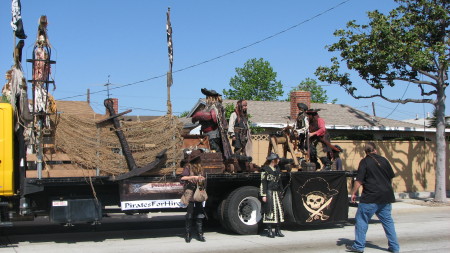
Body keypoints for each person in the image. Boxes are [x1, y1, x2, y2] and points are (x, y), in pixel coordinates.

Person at [346, 142, 400, 253]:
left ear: (365, 152)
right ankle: (394, 247)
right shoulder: (384, 160)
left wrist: (353, 193)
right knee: (388, 222)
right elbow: (390, 177)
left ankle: (359, 246)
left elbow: (359, 180)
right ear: (375, 150)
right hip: (385, 196)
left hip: (370, 196)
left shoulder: (365, 162)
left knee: (361, 220)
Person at [192, 88, 232, 159]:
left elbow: (213, 117)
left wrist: (199, 115)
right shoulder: (208, 107)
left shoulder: (216, 106)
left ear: (210, 97)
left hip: (213, 135)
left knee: (216, 154)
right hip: (207, 135)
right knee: (210, 154)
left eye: (207, 97)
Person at [180, 154, 207, 243]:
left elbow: (203, 179)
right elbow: (183, 177)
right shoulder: (188, 167)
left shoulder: (201, 168)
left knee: (199, 213)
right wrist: (194, 177)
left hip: (199, 189)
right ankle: (188, 234)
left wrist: (201, 180)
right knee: (190, 214)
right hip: (191, 191)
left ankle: (200, 234)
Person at [260, 153, 285, 238]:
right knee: (269, 211)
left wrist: (281, 191)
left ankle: (278, 230)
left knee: (278, 211)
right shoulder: (265, 169)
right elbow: (263, 183)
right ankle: (269, 230)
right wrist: (263, 195)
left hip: (277, 193)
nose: (278, 160)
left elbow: (280, 181)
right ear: (273, 160)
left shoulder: (277, 169)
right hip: (269, 192)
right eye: (277, 159)